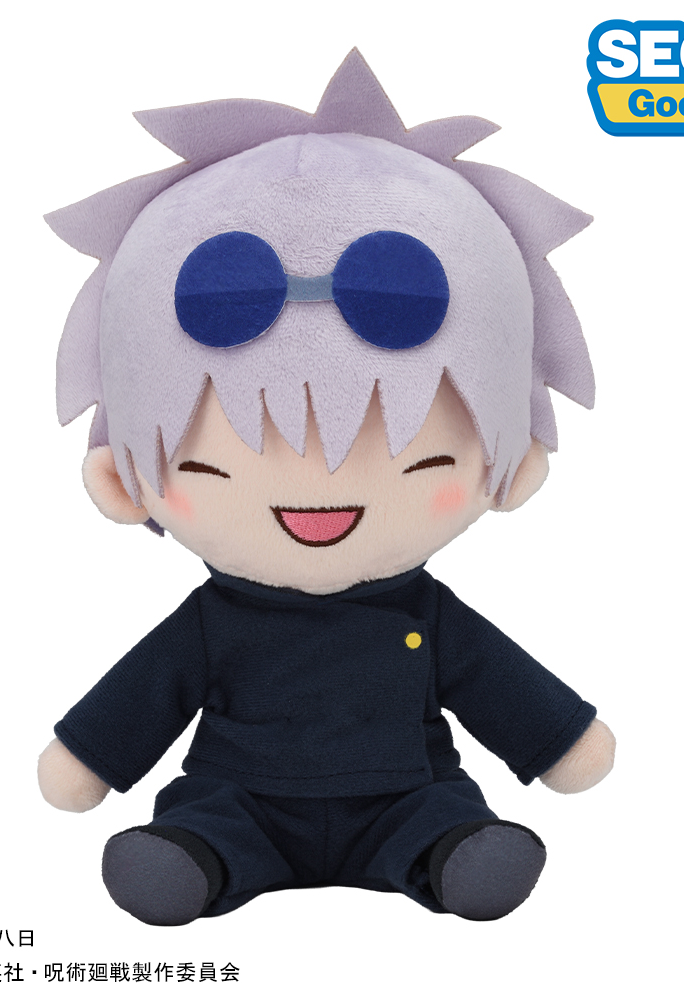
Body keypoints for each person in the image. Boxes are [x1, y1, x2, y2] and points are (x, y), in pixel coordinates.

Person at [38, 50, 615, 925]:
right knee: (202, 831)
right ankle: (196, 862)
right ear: (126, 482)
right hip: (239, 800)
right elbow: (140, 700)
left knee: (445, 824)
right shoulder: (211, 625)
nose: (322, 484)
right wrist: (87, 758)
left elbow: (502, 688)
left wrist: (561, 742)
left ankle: (449, 855)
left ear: (513, 466)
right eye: (222, 462)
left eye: (413, 457)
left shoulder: (428, 618)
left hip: (408, 799)